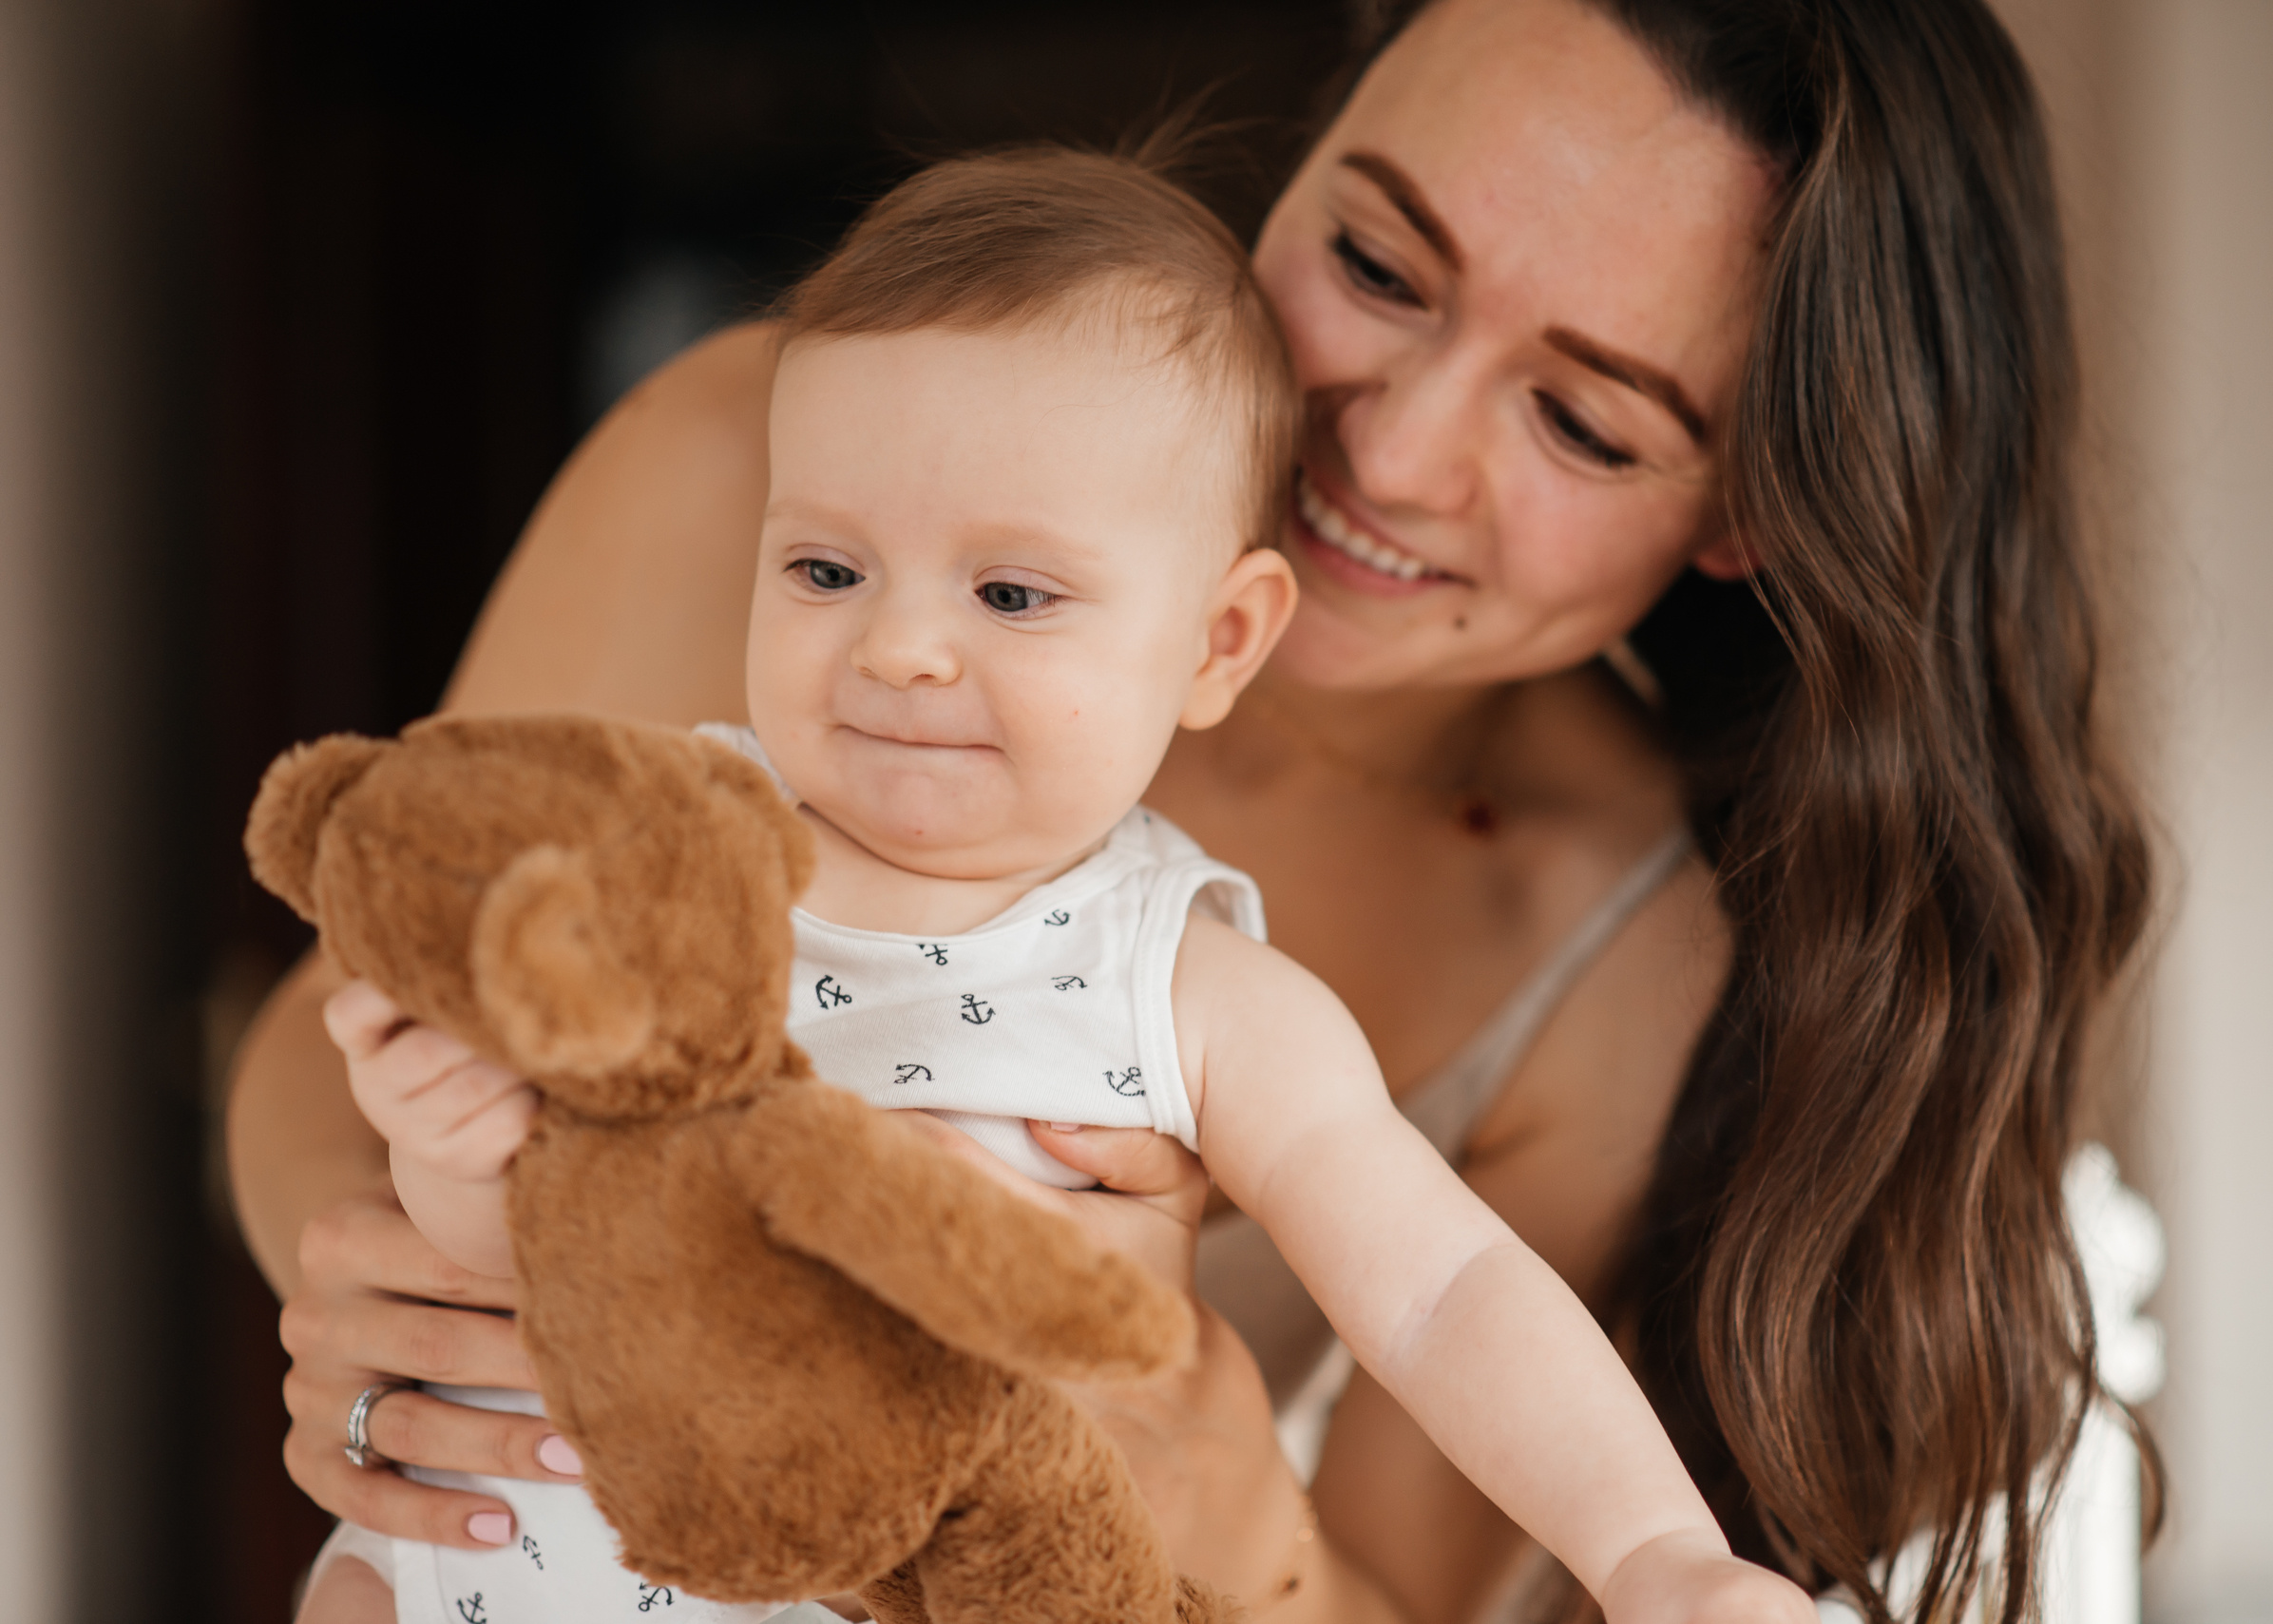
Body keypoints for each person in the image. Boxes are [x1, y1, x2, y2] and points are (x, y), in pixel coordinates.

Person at [229, 2, 2153, 1621]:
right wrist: (405, 1255)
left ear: (1745, 506)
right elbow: (366, 1000)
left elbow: (1427, 1372)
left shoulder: (1555, 951)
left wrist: (1212, 1463)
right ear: (1306, 158)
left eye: (1581, 421)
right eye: (1376, 266)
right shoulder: (794, 457)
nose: (1383, 453)